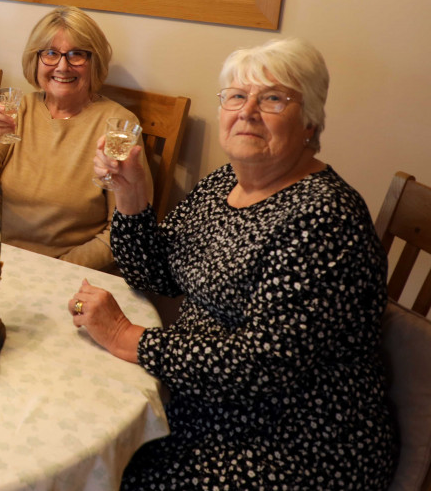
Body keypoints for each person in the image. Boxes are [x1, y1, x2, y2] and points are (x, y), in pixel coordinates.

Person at [72, 37, 397, 489]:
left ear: (309, 122)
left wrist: (128, 336)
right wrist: (130, 196)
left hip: (290, 443)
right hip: (202, 400)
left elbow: (262, 365)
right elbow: (159, 274)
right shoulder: (225, 182)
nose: (248, 111)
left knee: (105, 469)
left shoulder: (324, 217)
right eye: (237, 96)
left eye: (273, 98)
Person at [0, 6, 152, 270]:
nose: (62, 66)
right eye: (50, 53)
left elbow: (123, 231)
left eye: (76, 55)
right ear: (35, 60)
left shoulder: (118, 127)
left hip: (68, 272)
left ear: (94, 61)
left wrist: (55, 268)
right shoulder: (19, 110)